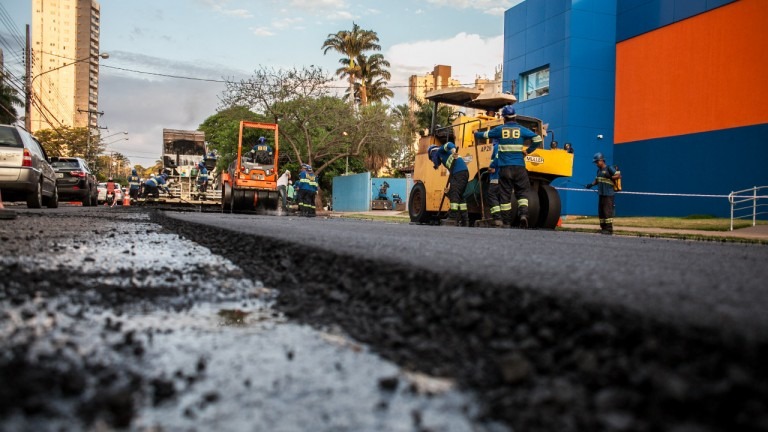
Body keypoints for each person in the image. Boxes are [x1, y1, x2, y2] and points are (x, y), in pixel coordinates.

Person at [474, 105, 542, 228]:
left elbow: (484, 135)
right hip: (520, 167)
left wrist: (476, 133)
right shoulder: (522, 129)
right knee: (522, 193)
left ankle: (506, 222)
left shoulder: (500, 130)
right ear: (514, 117)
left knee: (505, 195)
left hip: (505, 168)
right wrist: (528, 151)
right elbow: (537, 139)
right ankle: (523, 215)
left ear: (504, 118)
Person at [429, 141, 470, 227]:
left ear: (433, 153)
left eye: (431, 158)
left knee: (454, 194)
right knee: (460, 197)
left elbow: (448, 144)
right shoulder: (444, 157)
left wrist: (454, 150)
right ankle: (465, 220)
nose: (433, 161)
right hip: (461, 173)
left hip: (459, 173)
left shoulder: (440, 151)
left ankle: (453, 217)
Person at [586, 152, 621, 235]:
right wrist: (590, 184)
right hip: (601, 194)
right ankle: (603, 228)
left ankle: (609, 229)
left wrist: (610, 177)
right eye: (595, 162)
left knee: (607, 212)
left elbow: (618, 176)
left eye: (597, 162)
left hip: (609, 194)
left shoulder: (609, 168)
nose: (596, 164)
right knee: (601, 212)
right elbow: (597, 180)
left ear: (602, 160)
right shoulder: (599, 171)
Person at [486, 139, 503, 226]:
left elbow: (497, 157)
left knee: (491, 195)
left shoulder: (497, 147)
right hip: (505, 178)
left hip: (496, 177)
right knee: (503, 198)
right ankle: (505, 219)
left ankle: (497, 218)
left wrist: (491, 167)